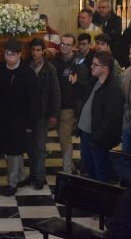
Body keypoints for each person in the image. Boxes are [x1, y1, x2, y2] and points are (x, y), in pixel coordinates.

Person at [0, 39, 36, 196]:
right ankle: (21, 175)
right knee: (10, 150)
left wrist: (30, 122)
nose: (9, 57)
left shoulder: (27, 72)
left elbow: (32, 100)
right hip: (3, 117)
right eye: (7, 54)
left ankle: (12, 182)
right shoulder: (0, 69)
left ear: (19, 55)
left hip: (19, 118)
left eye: (12, 54)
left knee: (14, 151)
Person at [77, 51, 124, 181]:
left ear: (105, 68)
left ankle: (102, 196)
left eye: (95, 65)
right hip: (86, 132)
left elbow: (110, 118)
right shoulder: (94, 81)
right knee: (88, 165)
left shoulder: (113, 89)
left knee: (100, 169)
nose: (91, 67)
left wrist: (97, 137)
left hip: (98, 137)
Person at [51, 34, 91, 175]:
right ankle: (70, 165)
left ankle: (67, 168)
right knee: (61, 136)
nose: (64, 46)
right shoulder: (55, 60)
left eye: (68, 44)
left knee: (65, 137)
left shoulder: (78, 61)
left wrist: (78, 79)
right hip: (55, 104)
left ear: (73, 47)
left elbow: (86, 83)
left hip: (69, 104)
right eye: (62, 43)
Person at [27, 38, 60, 189]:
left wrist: (54, 114)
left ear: (43, 51)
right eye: (33, 50)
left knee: (40, 145)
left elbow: (55, 92)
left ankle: (40, 177)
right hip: (29, 113)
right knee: (29, 146)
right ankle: (32, 174)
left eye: (38, 50)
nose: (35, 53)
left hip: (42, 112)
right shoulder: (27, 65)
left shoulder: (49, 68)